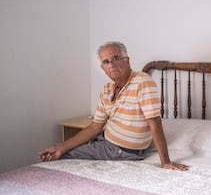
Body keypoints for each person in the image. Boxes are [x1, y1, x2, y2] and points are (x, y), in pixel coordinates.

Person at [39, 41, 188, 171]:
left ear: (127, 60)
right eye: (106, 62)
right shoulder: (107, 89)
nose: (111, 64)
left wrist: (165, 162)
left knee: (64, 158)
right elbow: (94, 127)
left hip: (119, 150)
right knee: (63, 150)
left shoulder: (143, 82)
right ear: (103, 68)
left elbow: (154, 122)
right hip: (105, 140)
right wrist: (61, 146)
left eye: (115, 58)